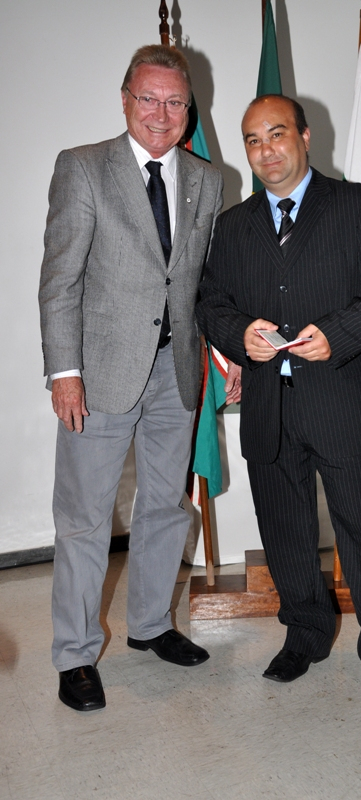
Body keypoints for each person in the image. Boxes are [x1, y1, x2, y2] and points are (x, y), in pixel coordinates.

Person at [196, 94, 361, 718]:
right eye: (253, 139)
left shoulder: (356, 205)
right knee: (286, 534)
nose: (266, 149)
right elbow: (210, 303)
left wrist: (342, 333)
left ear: (304, 135)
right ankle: (305, 634)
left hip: (343, 400)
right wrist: (238, 333)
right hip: (269, 407)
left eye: (277, 134)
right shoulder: (232, 226)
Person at [38, 45, 224, 712]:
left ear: (188, 110)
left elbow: (204, 281)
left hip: (177, 374)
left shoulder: (207, 178)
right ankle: (75, 655)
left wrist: (223, 352)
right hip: (100, 376)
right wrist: (65, 373)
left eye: (175, 102)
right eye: (149, 98)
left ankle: (149, 624)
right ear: (125, 101)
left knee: (165, 508)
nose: (161, 113)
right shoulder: (84, 167)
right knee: (85, 519)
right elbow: (59, 281)